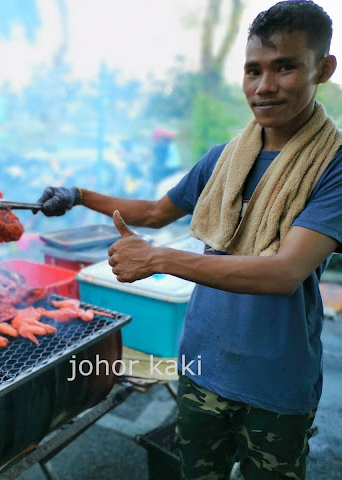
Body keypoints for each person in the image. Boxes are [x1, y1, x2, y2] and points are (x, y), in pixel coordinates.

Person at [36, 2, 341, 478]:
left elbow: (285, 272)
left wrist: (158, 259)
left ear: (323, 69)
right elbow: (156, 213)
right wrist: (78, 195)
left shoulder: (333, 166)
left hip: (277, 383)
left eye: (285, 67)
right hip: (202, 368)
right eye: (253, 70)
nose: (264, 86)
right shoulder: (225, 159)